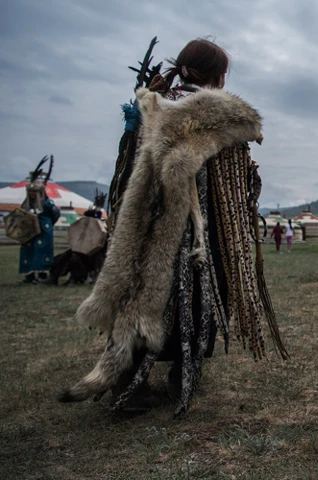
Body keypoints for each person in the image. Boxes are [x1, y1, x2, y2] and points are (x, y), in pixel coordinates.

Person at [59, 38, 287, 416]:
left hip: (144, 226)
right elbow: (230, 171)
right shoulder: (218, 114)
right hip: (200, 232)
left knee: (140, 293)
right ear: (218, 76)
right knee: (196, 298)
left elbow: (126, 171)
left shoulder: (152, 109)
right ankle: (185, 369)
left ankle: (130, 380)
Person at [18, 159, 60, 284]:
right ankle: (29, 276)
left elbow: (56, 214)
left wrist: (47, 225)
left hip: (43, 231)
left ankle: (42, 275)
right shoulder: (26, 204)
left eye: (34, 191)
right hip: (29, 233)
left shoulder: (46, 203)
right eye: (30, 191)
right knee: (28, 251)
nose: (32, 194)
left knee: (41, 251)